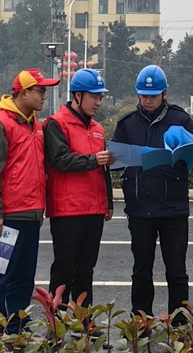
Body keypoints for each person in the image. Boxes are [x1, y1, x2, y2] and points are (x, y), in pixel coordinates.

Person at [111, 65, 193, 324]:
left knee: (176, 271)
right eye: (144, 95)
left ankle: (179, 323)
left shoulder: (180, 120)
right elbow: (114, 159)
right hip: (140, 209)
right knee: (141, 270)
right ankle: (141, 321)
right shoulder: (127, 124)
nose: (148, 99)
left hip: (173, 209)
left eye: (153, 94)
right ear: (138, 94)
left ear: (164, 93)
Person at [0, 68, 60, 347]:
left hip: (30, 215)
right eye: (40, 91)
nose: (44, 96)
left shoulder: (35, 124)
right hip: (6, 217)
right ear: (23, 92)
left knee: (23, 280)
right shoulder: (0, 124)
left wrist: (40, 211)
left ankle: (16, 331)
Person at [44, 69, 115, 319]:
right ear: (77, 96)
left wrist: (108, 202)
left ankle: (84, 325)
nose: (98, 102)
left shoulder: (97, 128)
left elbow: (103, 168)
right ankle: (57, 326)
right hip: (67, 210)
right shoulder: (56, 123)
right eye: (93, 97)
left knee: (86, 271)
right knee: (63, 270)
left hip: (94, 210)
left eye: (100, 97)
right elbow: (61, 159)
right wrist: (94, 159)